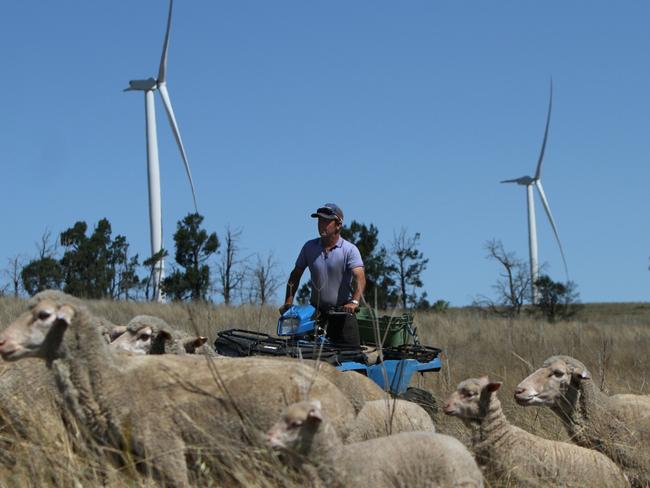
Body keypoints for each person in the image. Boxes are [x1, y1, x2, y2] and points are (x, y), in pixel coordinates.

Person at [280, 203, 366, 348]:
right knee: (299, 350)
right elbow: (295, 275)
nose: (321, 225)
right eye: (319, 221)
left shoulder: (349, 250)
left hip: (342, 313)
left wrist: (354, 302)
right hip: (315, 313)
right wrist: (288, 302)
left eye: (326, 221)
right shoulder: (309, 247)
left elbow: (360, 278)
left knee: (352, 356)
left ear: (338, 225)